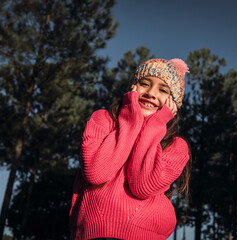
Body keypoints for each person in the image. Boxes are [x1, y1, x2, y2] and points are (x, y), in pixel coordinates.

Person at [69, 58, 192, 240]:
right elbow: (96, 173)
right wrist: (131, 121)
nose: (150, 93)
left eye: (163, 90)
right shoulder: (103, 120)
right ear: (133, 88)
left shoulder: (176, 146)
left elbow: (142, 187)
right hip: (94, 234)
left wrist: (154, 125)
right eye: (145, 84)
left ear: (173, 104)